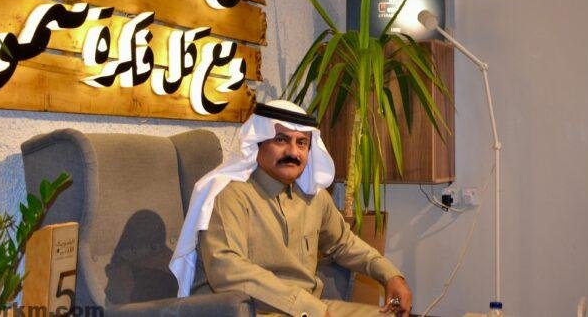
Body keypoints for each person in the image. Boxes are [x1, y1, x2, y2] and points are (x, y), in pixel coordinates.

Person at [170, 99, 412, 317]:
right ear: (258, 144)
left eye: (302, 143)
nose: (293, 152)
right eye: (281, 140)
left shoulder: (314, 196)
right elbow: (227, 269)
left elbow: (343, 243)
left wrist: (390, 274)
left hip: (309, 308)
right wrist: (305, 306)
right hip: (249, 310)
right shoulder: (229, 195)